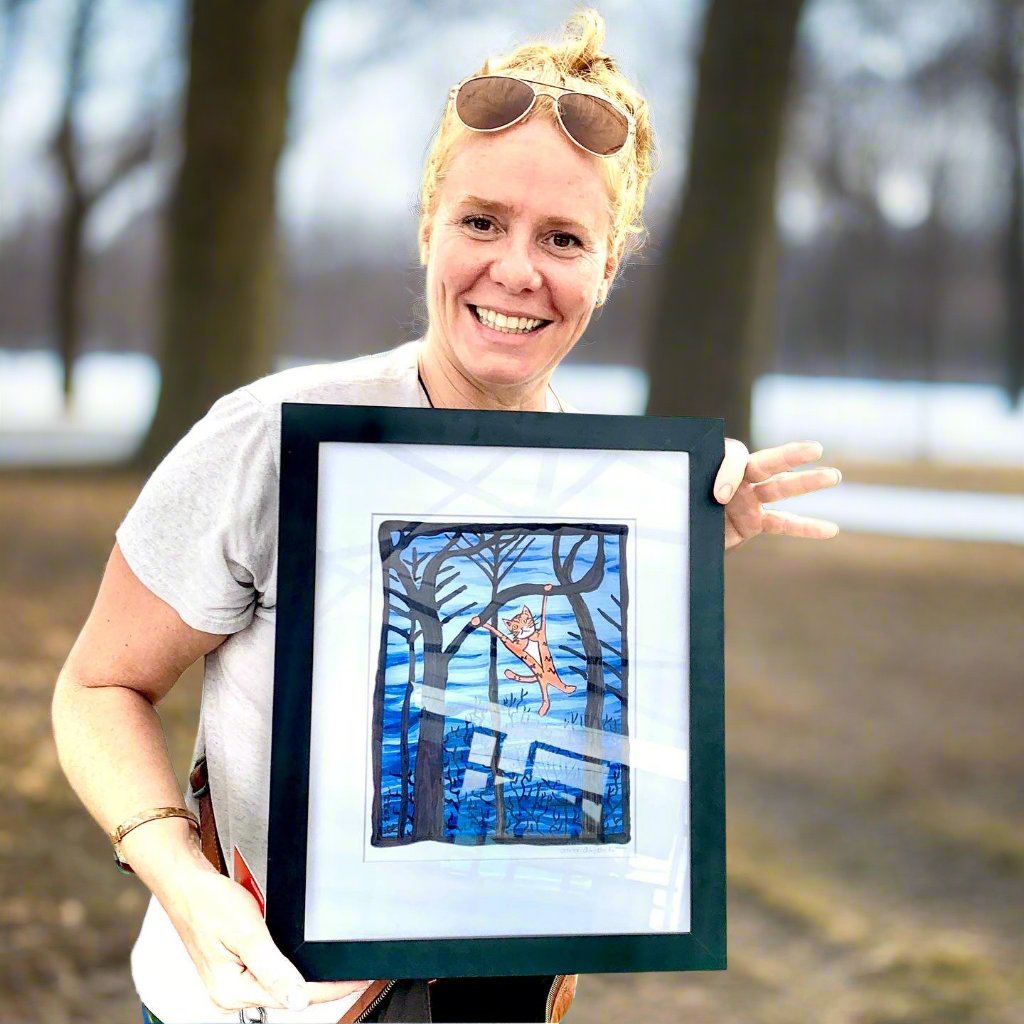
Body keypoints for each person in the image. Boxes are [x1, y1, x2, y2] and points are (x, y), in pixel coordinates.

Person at [52, 10, 841, 1023]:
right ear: (428, 222)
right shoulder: (270, 439)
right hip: (259, 1004)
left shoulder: (624, 504)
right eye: (481, 221)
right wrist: (183, 881)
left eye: (563, 238)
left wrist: (673, 547)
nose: (517, 270)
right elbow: (97, 685)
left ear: (609, 265)